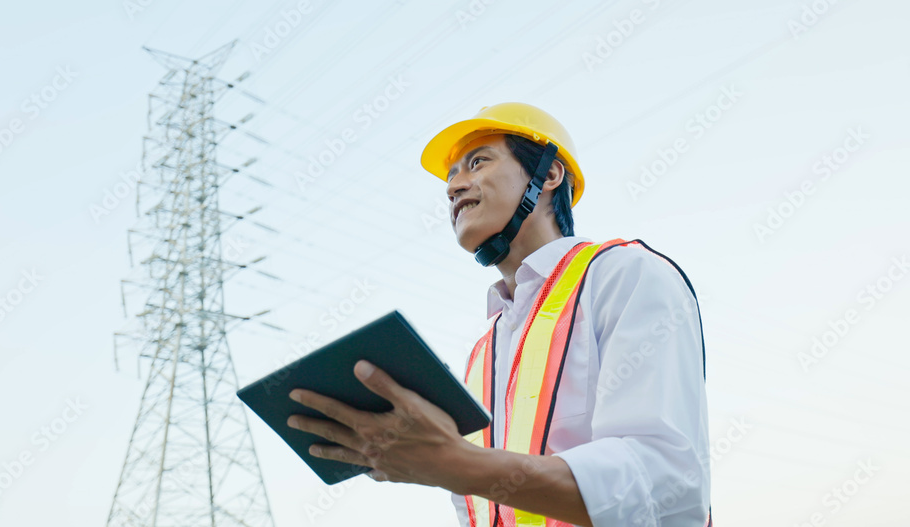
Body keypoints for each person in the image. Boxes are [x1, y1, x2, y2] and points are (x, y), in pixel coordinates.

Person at [285, 102, 711, 526]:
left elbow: (666, 485)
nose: (454, 187)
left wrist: (456, 463)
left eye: (477, 162)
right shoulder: (483, 353)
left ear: (547, 175)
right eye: (451, 177)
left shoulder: (624, 275)